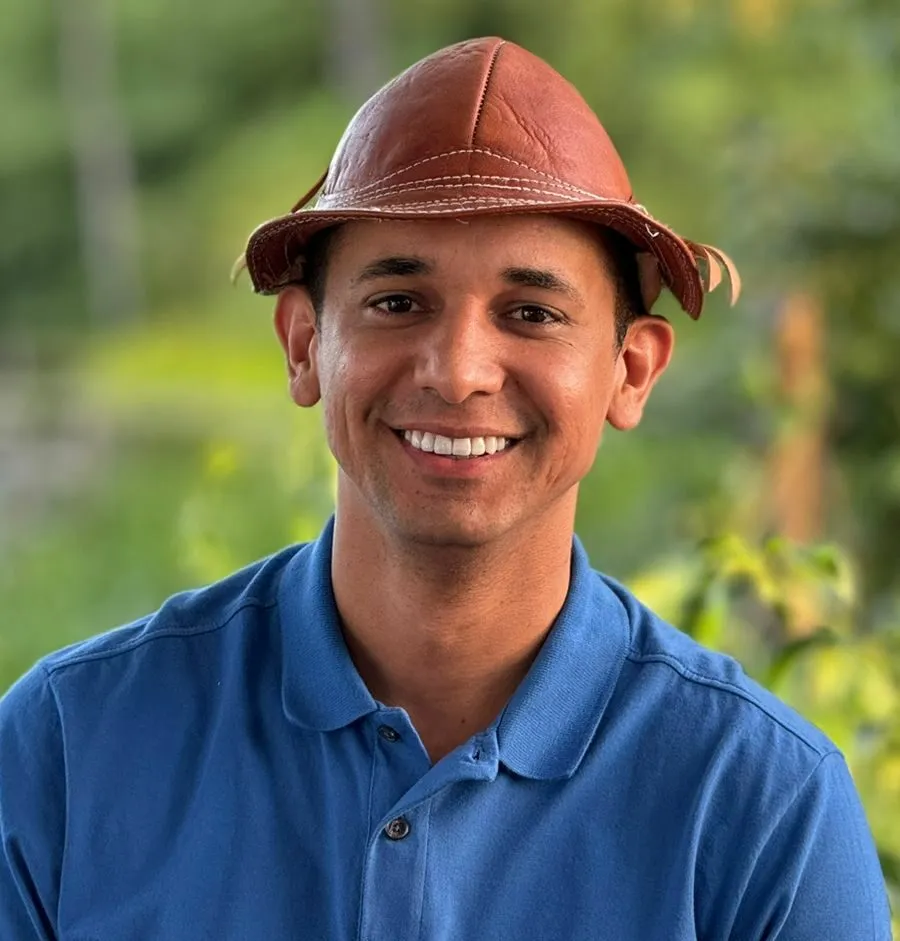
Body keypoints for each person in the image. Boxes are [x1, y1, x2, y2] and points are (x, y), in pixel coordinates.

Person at [0, 36, 891, 941]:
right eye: (397, 303)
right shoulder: (67, 750)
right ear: (305, 344)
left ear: (630, 372)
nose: (459, 371)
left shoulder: (762, 808)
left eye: (531, 313)